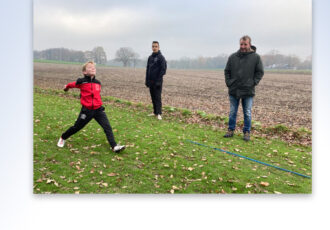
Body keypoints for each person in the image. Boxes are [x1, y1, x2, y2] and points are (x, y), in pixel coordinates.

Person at [57, 61, 125, 153]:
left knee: (107, 127)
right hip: (87, 111)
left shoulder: (98, 83)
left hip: (98, 110)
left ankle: (114, 146)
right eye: (90, 67)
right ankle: (63, 137)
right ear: (84, 72)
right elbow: (71, 85)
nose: (93, 68)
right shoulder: (81, 82)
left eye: (94, 67)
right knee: (77, 127)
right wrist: (66, 88)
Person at [224, 35, 264, 141]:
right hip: (234, 90)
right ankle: (230, 130)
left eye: (245, 44)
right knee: (233, 111)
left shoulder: (256, 57)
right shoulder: (233, 57)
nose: (243, 46)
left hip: (248, 90)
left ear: (249, 44)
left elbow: (260, 72)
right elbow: (227, 71)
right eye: (241, 44)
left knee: (247, 112)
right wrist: (229, 83)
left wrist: (253, 83)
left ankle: (246, 132)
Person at [145, 41, 167, 120]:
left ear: (159, 47)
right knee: (153, 97)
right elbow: (148, 69)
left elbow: (163, 70)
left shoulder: (161, 57)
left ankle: (159, 113)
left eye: (156, 46)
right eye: (153, 46)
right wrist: (147, 80)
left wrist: (158, 80)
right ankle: (154, 112)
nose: (154, 48)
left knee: (157, 97)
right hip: (151, 81)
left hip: (158, 82)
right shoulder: (150, 57)